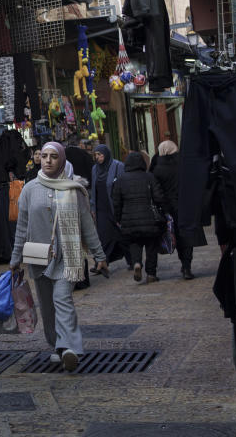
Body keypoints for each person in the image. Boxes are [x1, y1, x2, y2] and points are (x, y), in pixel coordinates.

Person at [10, 142, 107, 372]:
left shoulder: (73, 189)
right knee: (47, 306)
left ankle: (70, 347)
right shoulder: (29, 189)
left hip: (67, 256)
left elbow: (87, 225)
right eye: (44, 156)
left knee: (62, 299)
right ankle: (58, 346)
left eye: (54, 156)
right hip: (38, 257)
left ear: (61, 160)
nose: (48, 160)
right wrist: (15, 258)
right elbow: (22, 227)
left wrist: (99, 254)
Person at [152, 140, 204, 280]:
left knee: (177, 236)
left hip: (168, 208)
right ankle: (187, 265)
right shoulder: (184, 164)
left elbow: (156, 190)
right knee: (187, 236)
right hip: (186, 204)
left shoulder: (157, 168)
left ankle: (184, 264)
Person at [113, 152, 168, 284]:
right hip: (150, 218)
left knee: (134, 244)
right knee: (151, 246)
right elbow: (159, 197)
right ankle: (151, 273)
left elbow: (116, 202)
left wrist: (118, 218)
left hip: (129, 219)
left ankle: (137, 263)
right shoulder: (149, 177)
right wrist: (165, 211)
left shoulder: (121, 179)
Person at [90, 144, 131, 270]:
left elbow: (124, 186)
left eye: (100, 154)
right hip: (101, 207)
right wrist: (92, 207)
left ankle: (132, 259)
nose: (98, 157)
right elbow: (93, 189)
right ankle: (101, 262)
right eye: (96, 155)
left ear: (106, 154)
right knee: (103, 235)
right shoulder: (95, 169)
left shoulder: (118, 166)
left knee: (121, 234)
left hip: (115, 206)